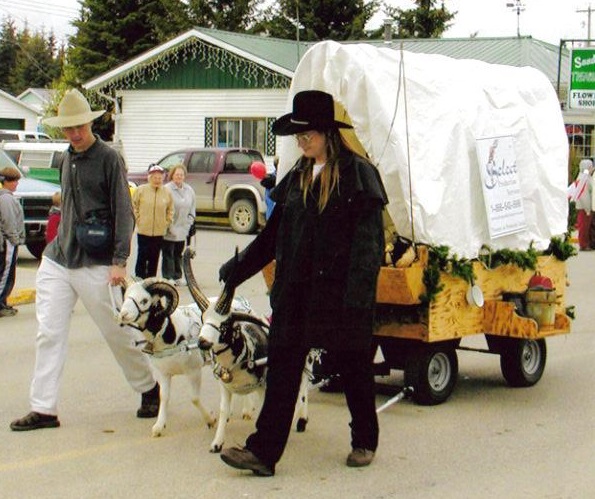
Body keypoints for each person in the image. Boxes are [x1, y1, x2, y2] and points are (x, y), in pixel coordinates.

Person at [218, 90, 387, 476]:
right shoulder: (296, 176)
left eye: (306, 133)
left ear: (328, 131)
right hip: (295, 294)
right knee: (281, 369)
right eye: (297, 135)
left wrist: (357, 300)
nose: (301, 141)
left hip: (341, 296)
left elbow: (368, 247)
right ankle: (263, 452)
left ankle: (364, 439)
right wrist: (236, 269)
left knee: (355, 368)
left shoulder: (358, 174)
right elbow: (271, 237)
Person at [10, 89, 159, 432]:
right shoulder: (65, 158)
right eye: (68, 128)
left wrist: (120, 260)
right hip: (59, 259)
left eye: (79, 126)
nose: (74, 133)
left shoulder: (109, 158)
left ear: (90, 123)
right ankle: (44, 408)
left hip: (98, 262)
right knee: (48, 333)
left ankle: (150, 387)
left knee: (116, 330)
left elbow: (124, 210)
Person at [132, 164, 173, 278]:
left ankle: (151, 280)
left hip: (159, 232)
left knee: (154, 258)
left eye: (160, 178)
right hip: (144, 230)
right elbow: (134, 206)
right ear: (149, 177)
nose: (157, 180)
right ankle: (139, 278)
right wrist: (138, 219)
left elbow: (170, 209)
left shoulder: (166, 192)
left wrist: (166, 222)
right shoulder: (141, 190)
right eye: (155, 177)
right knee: (142, 256)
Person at [162, 164, 196, 285]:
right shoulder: (166, 189)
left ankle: (178, 276)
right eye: (177, 174)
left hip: (183, 228)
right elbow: (163, 209)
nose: (179, 177)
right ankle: (168, 277)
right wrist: (168, 226)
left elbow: (192, 210)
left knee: (178, 253)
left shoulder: (189, 190)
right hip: (169, 228)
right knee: (168, 253)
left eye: (181, 175)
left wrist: (188, 225)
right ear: (172, 175)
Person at [0, 166, 25, 317]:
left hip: (8, 241)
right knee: (5, 273)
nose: (16, 184)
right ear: (6, 181)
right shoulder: (6, 199)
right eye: (14, 181)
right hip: (7, 242)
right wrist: (15, 239)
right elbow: (9, 221)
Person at [575, 158, 594, 251]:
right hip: (584, 208)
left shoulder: (583, 177)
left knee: (585, 227)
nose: (592, 169)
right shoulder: (584, 179)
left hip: (585, 207)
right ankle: (583, 244)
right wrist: (587, 209)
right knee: (584, 227)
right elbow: (584, 195)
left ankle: (586, 243)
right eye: (591, 167)